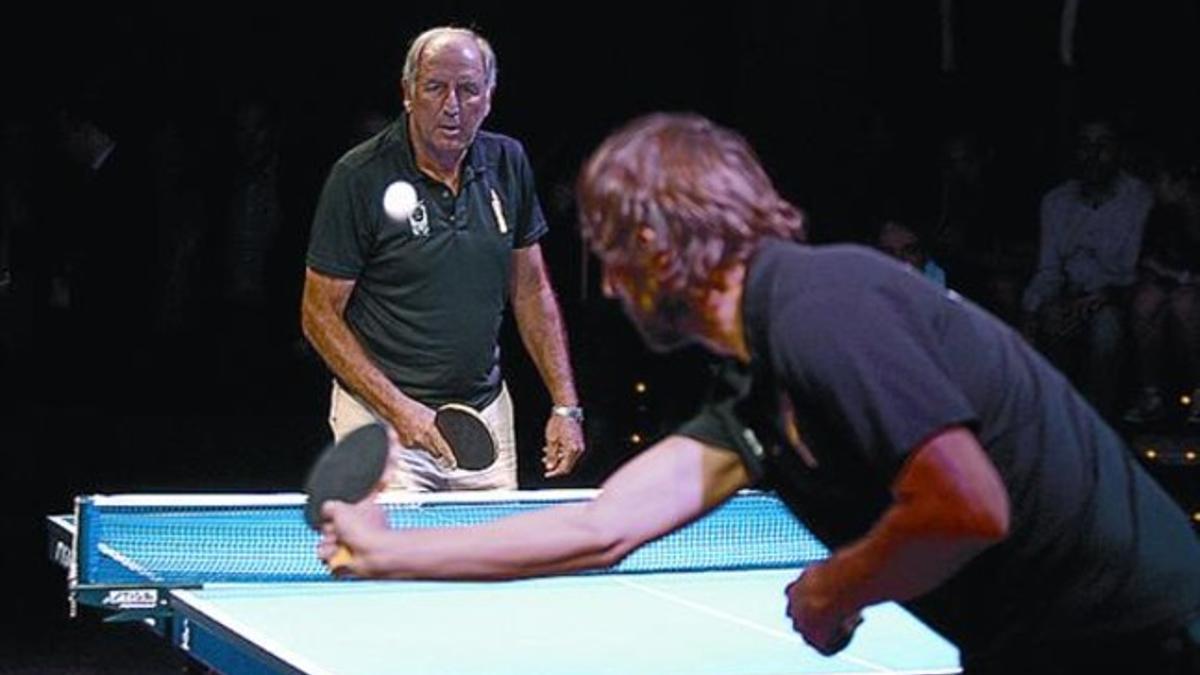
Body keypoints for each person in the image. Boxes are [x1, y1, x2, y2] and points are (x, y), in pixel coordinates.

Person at [318, 113, 1200, 674]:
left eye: (613, 255)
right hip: (1044, 647)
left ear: (662, 245)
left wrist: (838, 585)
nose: (612, 290)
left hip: (1140, 638)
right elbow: (599, 526)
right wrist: (393, 551)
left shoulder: (823, 301)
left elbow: (966, 503)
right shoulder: (757, 389)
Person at [302, 27, 585, 491]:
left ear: (488, 97)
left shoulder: (508, 163)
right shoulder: (358, 176)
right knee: (397, 564)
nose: (452, 105)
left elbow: (531, 290)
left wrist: (565, 406)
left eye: (468, 89)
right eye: (435, 87)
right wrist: (398, 409)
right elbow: (318, 315)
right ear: (408, 93)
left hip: (484, 416)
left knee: (490, 562)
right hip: (382, 423)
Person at [1020, 117, 1153, 419]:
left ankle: (1097, 424)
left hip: (1117, 296)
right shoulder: (1056, 201)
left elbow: (1134, 270)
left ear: (1117, 150)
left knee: (1106, 331)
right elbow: (1048, 268)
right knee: (1051, 321)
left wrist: (1104, 296)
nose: (1092, 154)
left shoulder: (1138, 198)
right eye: (1085, 146)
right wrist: (1033, 310)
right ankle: (1058, 422)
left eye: (1102, 145)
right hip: (1070, 292)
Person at [1124, 148, 1200, 425]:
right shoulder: (1160, 215)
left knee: (1185, 306)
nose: (1154, 188)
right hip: (1171, 283)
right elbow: (1148, 260)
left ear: (1180, 185)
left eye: (1161, 181)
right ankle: (1150, 393)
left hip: (1191, 290)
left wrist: (1185, 280)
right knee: (1145, 302)